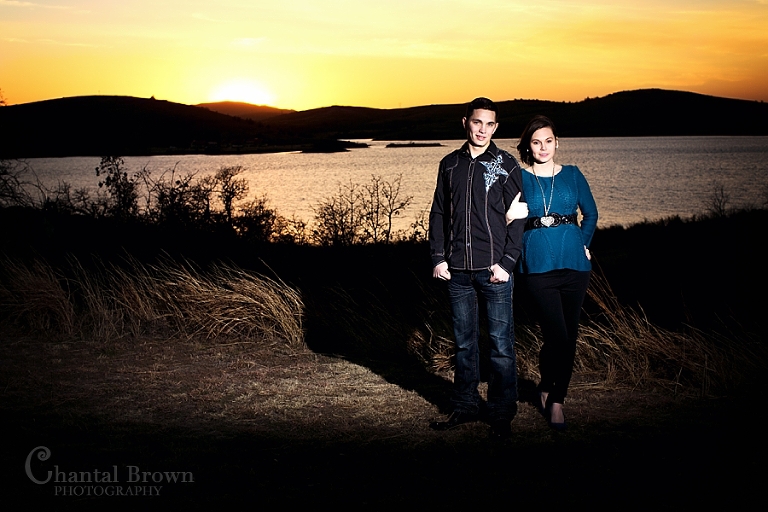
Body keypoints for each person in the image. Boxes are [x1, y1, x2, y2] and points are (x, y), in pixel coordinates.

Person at [428, 97, 528, 439]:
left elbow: (519, 217)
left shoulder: (505, 164)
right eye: (476, 122)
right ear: (465, 122)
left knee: (501, 345)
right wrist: (438, 257)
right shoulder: (449, 164)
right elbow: (439, 212)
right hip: (457, 272)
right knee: (464, 344)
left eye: (489, 124)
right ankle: (466, 405)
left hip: (494, 271)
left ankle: (502, 411)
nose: (482, 130)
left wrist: (507, 263)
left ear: (495, 127)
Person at [511, 115, 598, 431]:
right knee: (556, 335)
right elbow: (507, 220)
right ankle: (548, 385)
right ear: (529, 146)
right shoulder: (519, 178)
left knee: (569, 335)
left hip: (575, 265)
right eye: (536, 142)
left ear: (557, 143)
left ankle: (554, 395)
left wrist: (584, 243)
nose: (543, 147)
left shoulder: (573, 175)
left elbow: (591, 213)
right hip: (537, 266)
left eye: (548, 141)